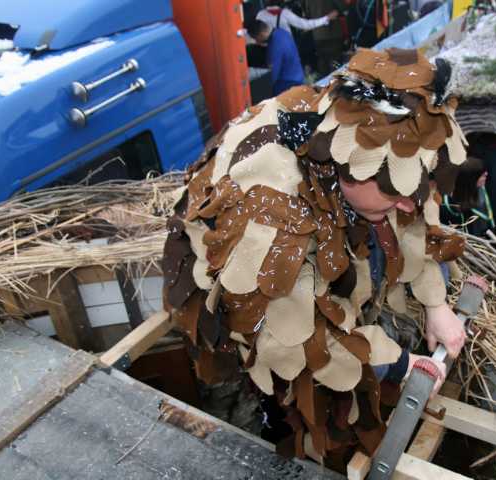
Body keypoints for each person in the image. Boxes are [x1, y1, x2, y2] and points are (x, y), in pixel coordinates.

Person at [162, 47, 469, 469]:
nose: (407, 206)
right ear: (346, 165)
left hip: (323, 231)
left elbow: (414, 209)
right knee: (279, 386)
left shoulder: (383, 152)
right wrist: (399, 363)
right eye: (394, 192)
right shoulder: (270, 206)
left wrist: (436, 304)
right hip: (245, 287)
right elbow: (286, 337)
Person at [248, 20, 304, 96]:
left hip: (286, 84)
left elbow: (273, 74)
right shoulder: (281, 32)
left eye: (255, 38)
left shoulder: (274, 44)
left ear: (261, 34)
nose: (256, 41)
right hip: (299, 77)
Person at [303, 0, 347, 75]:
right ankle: (337, 85)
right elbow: (343, 8)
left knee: (323, 62)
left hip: (318, 35)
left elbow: (308, 15)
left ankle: (325, 84)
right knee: (336, 63)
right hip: (333, 34)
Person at [257, 1, 339, 34]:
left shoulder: (260, 14)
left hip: (270, 51)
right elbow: (306, 25)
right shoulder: (285, 13)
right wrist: (326, 18)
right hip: (287, 49)